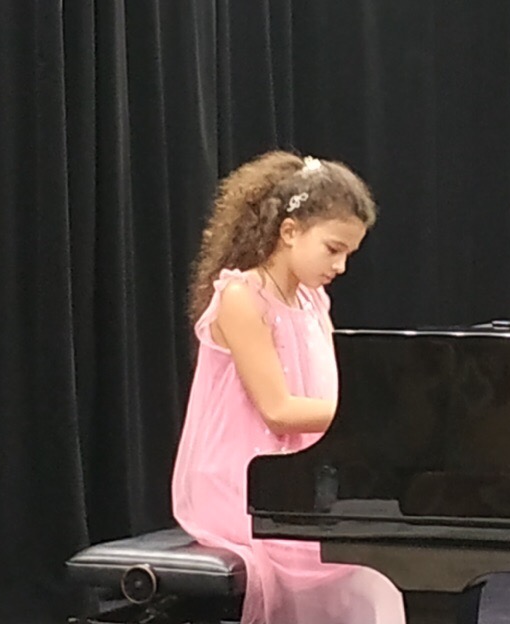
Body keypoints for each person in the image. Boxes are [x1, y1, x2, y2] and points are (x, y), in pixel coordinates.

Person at [171, 150, 405, 624]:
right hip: (242, 483)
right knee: (369, 573)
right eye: (333, 249)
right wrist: (368, 415)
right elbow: (277, 410)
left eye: (348, 254)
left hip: (295, 477)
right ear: (290, 231)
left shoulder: (313, 299)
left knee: (388, 562)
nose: (341, 266)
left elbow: (328, 390)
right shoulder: (241, 297)